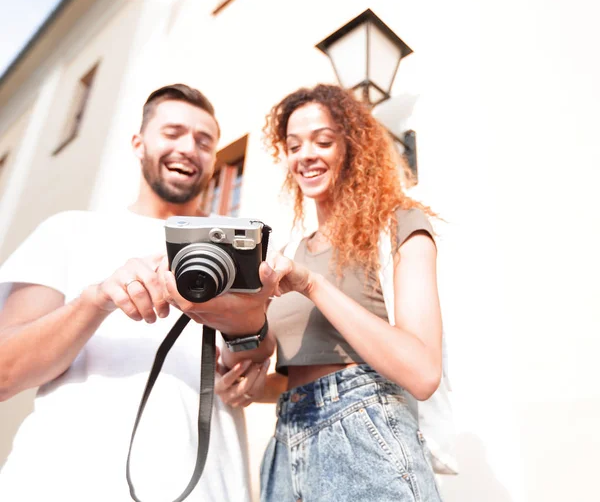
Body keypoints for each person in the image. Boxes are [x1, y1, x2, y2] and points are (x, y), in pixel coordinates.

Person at [0, 84, 275, 502]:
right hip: (57, 483)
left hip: (203, 488)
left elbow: (252, 368)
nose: (188, 147)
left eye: (204, 141)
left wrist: (248, 331)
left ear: (213, 160)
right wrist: (96, 300)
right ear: (138, 142)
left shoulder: (239, 248)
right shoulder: (68, 231)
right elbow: (5, 372)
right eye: (173, 132)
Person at [217, 84, 445, 501]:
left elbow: (423, 371)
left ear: (352, 147)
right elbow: (295, 379)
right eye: (293, 145)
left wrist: (311, 285)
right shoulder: (287, 252)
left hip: (366, 436)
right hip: (287, 445)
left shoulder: (398, 225)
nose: (306, 155)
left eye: (323, 141)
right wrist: (251, 387)